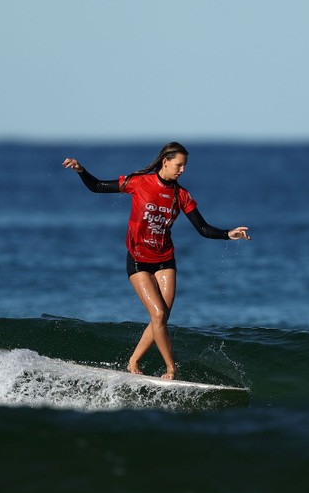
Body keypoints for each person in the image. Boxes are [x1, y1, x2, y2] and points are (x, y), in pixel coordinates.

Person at [62, 142, 250, 380]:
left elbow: (203, 229)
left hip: (165, 260)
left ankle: (133, 361)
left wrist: (228, 234)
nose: (182, 170)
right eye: (179, 165)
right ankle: (171, 368)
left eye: (185, 166)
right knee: (159, 315)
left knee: (161, 317)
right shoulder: (140, 182)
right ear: (165, 162)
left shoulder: (181, 195)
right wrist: (81, 170)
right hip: (138, 260)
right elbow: (97, 186)